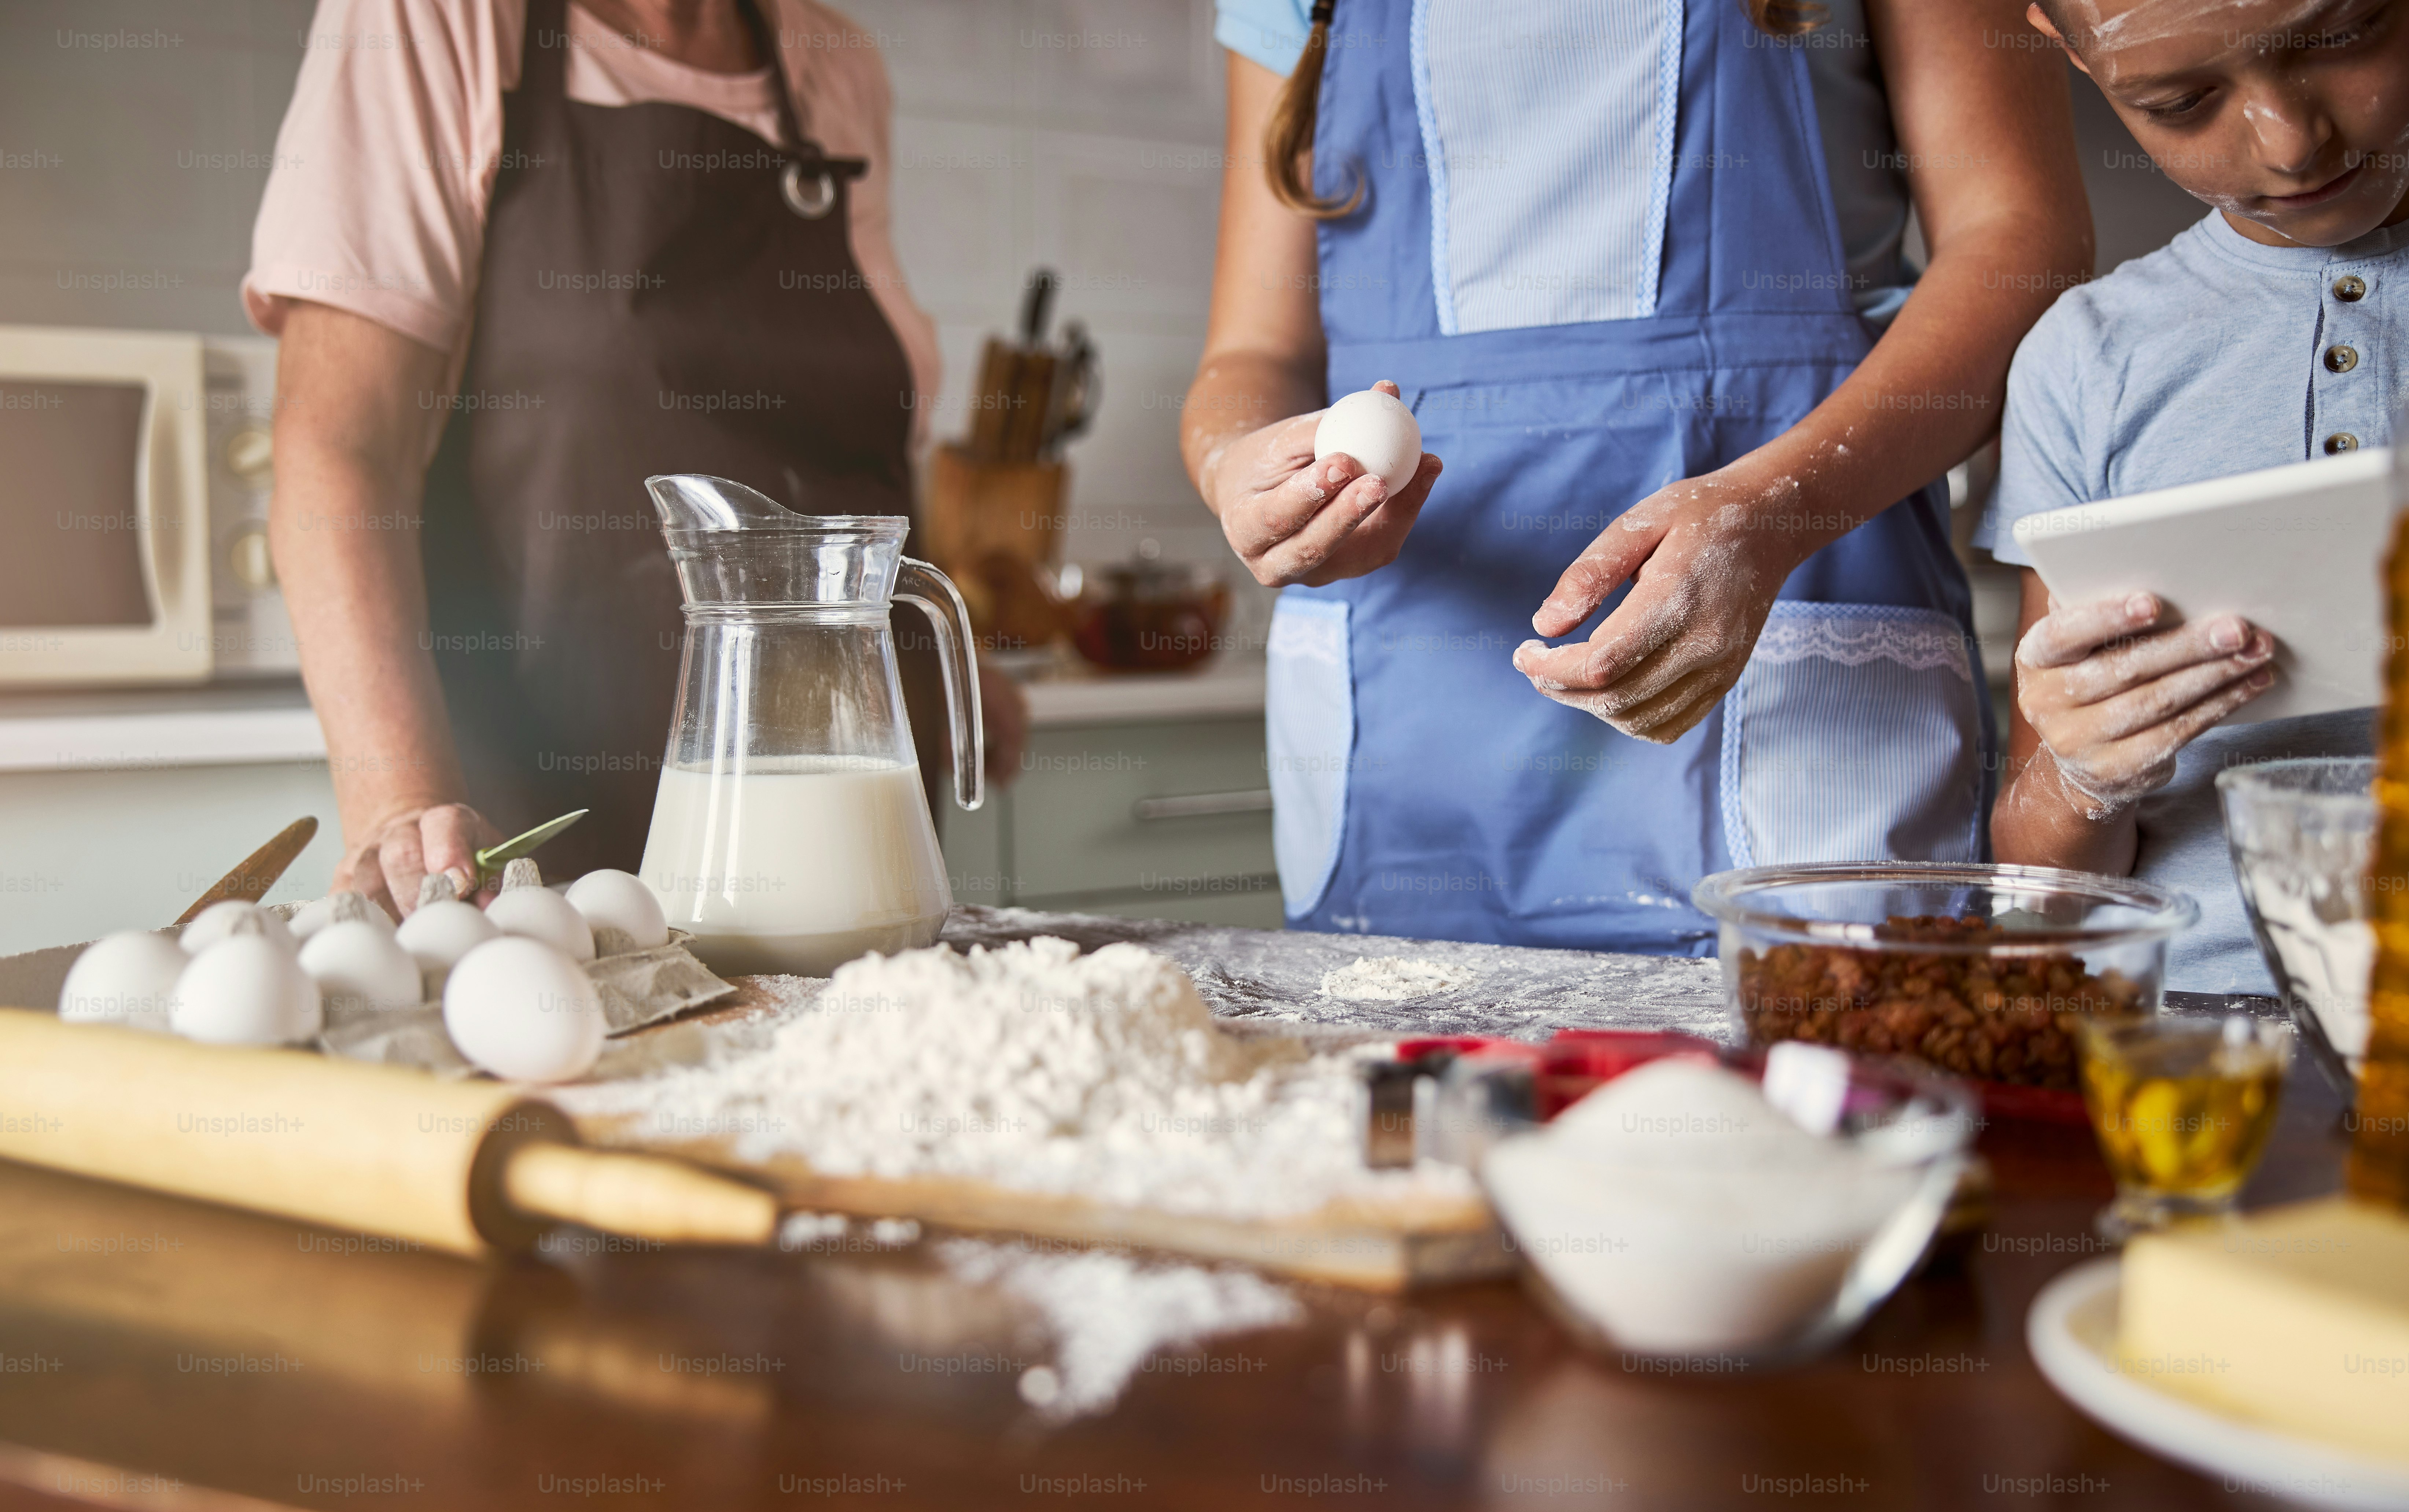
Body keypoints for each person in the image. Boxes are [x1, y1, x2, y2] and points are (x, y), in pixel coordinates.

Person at [1186, 0, 2093, 952]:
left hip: (1792, 615)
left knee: (1817, 1082)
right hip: (1408, 686)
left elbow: (2020, 243)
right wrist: (1233, 467)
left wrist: (1778, 509)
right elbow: (1253, 351)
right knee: (1417, 1074)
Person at [247, 0, 1024, 916]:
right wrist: (402, 805)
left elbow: (861, 442)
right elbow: (341, 447)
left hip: (850, 836)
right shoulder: (439, 18)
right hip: (551, 837)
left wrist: (948, 665)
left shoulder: (833, 63)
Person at [1980, 0, 2402, 992]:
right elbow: (2038, 884)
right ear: (2072, 54)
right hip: (2204, 1042)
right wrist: (2082, 771)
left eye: (2340, 37)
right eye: (2179, 101)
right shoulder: (2086, 360)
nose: (2291, 145)